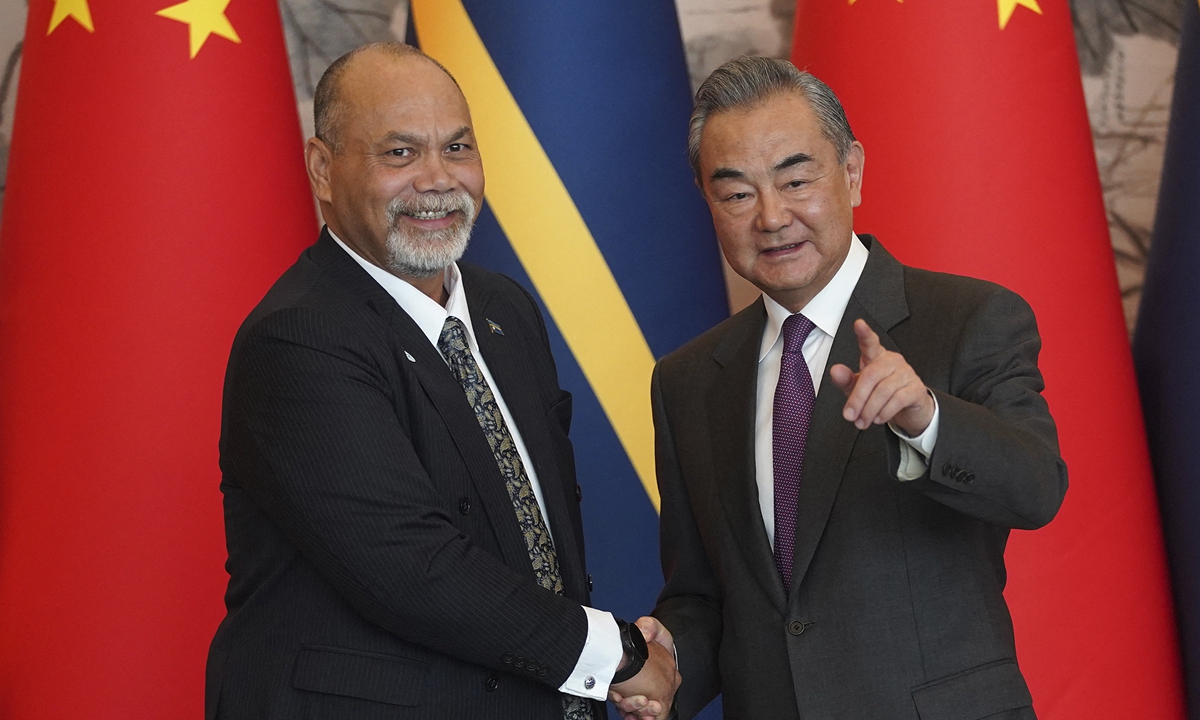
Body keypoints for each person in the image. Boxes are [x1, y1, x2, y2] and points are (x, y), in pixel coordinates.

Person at [205, 42, 678, 720]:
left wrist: (605, 664)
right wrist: (617, 657)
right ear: (323, 169)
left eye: (457, 148)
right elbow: (413, 568)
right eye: (399, 154)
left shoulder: (503, 309)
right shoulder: (300, 338)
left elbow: (535, 539)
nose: (437, 179)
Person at [625, 57, 1067, 720]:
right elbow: (707, 596)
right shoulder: (686, 381)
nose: (772, 217)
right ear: (708, 201)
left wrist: (925, 418)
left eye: (796, 179)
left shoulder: (969, 318)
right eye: (737, 193)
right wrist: (670, 662)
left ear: (851, 172)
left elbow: (1036, 489)